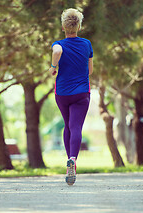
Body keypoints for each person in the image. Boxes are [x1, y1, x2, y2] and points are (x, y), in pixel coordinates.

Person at [49, 8, 93, 186]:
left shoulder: (58, 44)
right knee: (76, 127)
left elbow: (58, 50)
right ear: (79, 26)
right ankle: (73, 159)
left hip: (62, 93)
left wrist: (53, 66)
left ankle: (69, 159)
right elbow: (90, 71)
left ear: (63, 26)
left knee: (67, 125)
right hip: (82, 93)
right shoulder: (86, 44)